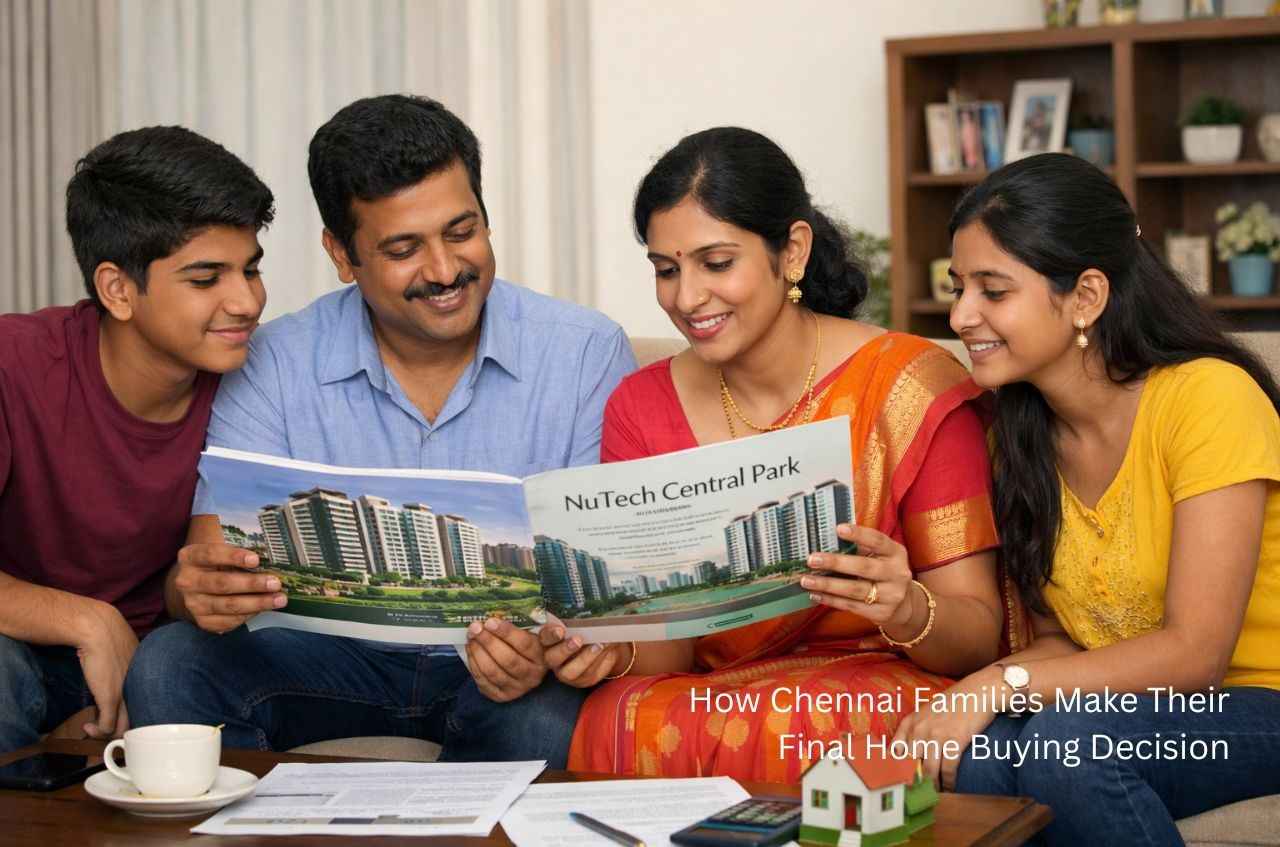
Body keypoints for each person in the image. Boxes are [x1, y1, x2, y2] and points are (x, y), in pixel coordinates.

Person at [124, 95, 635, 766]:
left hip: (507, 671)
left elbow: (611, 582)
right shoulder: (275, 360)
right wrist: (200, 591)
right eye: (403, 249)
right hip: (324, 662)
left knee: (552, 711)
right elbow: (209, 560)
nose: (446, 269)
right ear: (342, 253)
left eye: (462, 231)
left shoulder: (583, 351)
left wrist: (546, 647)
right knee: (169, 662)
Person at [543, 127, 1008, 783]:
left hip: (875, 684)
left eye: (716, 262)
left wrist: (906, 606)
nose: (687, 298)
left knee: (812, 715)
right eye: (666, 270)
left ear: (791, 251)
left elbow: (978, 635)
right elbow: (666, 649)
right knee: (622, 710)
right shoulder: (639, 406)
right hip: (710, 692)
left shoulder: (908, 385)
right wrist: (607, 652)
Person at [894, 153, 1280, 844]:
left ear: (1087, 296)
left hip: (1259, 702)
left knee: (1066, 742)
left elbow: (1197, 654)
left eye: (993, 289)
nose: (960, 314)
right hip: (1127, 712)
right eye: (957, 287)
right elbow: (1059, 640)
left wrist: (997, 686)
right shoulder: (1016, 435)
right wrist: (973, 691)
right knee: (983, 756)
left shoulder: (1208, 400)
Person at [0, 126, 273, 753]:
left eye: (251, 269)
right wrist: (87, 620)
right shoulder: (16, 366)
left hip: (171, 663)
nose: (247, 301)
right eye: (206, 278)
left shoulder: (259, 384)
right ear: (118, 290)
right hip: (27, 651)